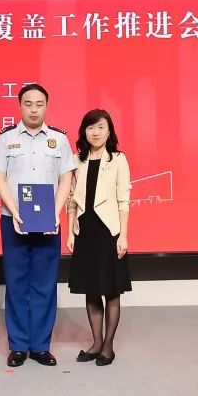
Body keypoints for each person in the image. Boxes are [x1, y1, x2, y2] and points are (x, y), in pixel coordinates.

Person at [0, 83, 74, 367]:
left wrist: (55, 213)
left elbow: (66, 179)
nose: (34, 109)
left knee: (44, 283)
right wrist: (14, 211)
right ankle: (17, 345)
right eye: (28, 104)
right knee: (16, 283)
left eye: (39, 104)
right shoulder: (6, 138)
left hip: (48, 222)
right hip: (12, 220)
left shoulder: (59, 139)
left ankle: (40, 346)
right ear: (19, 106)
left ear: (46, 106)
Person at [67, 109, 132, 367]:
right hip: (85, 231)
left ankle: (108, 347)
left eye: (101, 127)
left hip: (109, 231)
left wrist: (123, 235)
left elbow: (124, 200)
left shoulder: (118, 159)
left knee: (111, 289)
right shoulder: (77, 160)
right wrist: (70, 231)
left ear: (109, 131)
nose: (95, 132)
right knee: (91, 288)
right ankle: (96, 343)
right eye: (90, 127)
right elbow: (72, 200)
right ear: (84, 131)